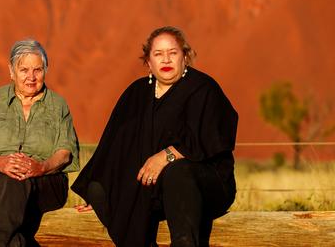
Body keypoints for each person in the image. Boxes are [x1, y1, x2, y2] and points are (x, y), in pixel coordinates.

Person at [71, 26, 237, 247]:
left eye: (173, 52)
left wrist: (168, 155)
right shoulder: (136, 93)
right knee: (97, 188)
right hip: (151, 189)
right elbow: (114, 146)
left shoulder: (203, 88)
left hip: (204, 185)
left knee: (178, 171)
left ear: (185, 57)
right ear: (148, 62)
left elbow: (213, 135)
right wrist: (109, 189)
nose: (166, 59)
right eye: (158, 54)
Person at [0, 39, 80, 247]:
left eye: (38, 70)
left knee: (13, 181)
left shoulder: (58, 104)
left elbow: (65, 152)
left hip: (47, 182)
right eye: (24, 69)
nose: (31, 77)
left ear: (46, 70)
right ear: (11, 71)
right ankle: (17, 243)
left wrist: (40, 167)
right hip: (1, 174)